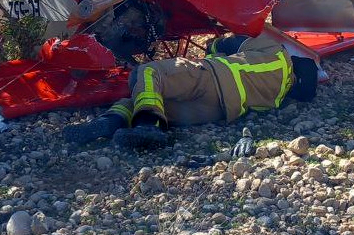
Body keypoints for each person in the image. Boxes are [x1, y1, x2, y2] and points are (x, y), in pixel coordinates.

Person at [65, 31, 318, 149]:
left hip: (210, 77)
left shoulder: (278, 53)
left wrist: (213, 46)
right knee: (150, 96)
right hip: (217, 111)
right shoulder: (279, 97)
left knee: (148, 74)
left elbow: (230, 42)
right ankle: (112, 123)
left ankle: (147, 125)